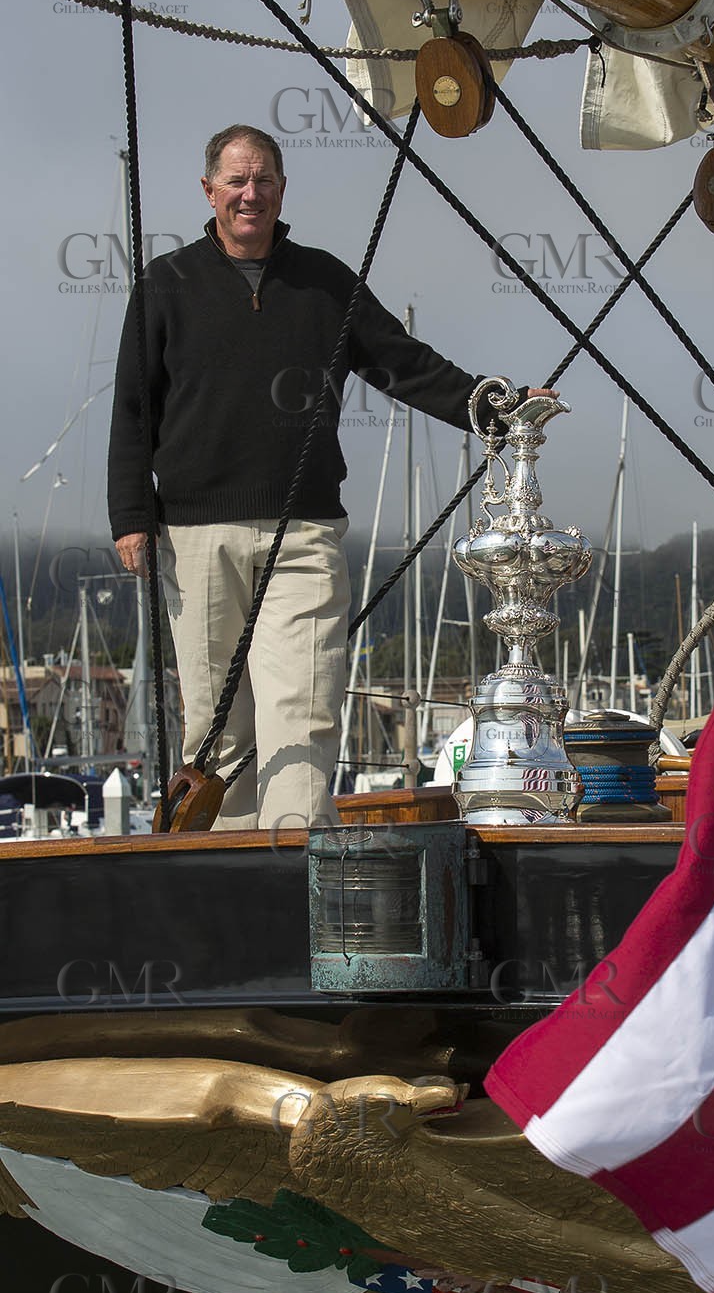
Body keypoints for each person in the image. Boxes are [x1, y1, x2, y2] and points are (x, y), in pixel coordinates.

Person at [109, 123, 551, 831]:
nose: (249, 194)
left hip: (304, 529)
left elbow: (402, 363)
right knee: (216, 722)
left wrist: (493, 409)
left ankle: (290, 866)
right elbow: (133, 405)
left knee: (304, 706)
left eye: (263, 182)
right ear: (209, 191)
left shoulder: (324, 282)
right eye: (236, 182)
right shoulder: (166, 284)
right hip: (193, 529)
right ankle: (223, 869)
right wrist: (131, 515)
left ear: (282, 191)